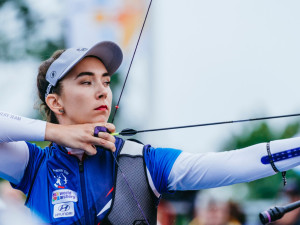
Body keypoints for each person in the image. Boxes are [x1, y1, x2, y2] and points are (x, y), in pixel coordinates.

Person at [1, 41, 300, 225]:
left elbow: (235, 164)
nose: (103, 91)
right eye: (86, 82)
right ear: (55, 102)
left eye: (105, 81)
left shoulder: (141, 162)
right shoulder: (34, 164)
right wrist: (56, 133)